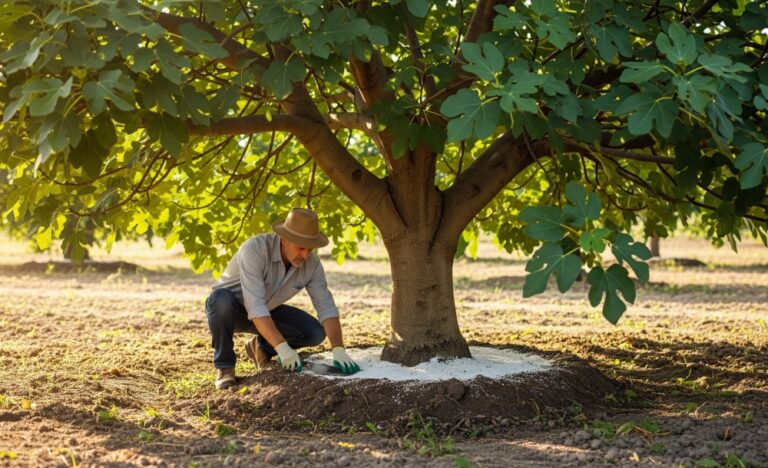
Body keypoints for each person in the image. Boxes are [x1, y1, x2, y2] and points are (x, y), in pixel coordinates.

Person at [204, 208, 361, 389]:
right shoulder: (255, 249)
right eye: (301, 247)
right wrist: (282, 347)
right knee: (220, 300)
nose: (305, 255)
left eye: (310, 249)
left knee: (314, 333)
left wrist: (338, 348)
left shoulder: (312, 265)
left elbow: (326, 306)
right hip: (231, 311)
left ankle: (262, 348)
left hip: (267, 311)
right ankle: (225, 368)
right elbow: (255, 305)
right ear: (283, 238)